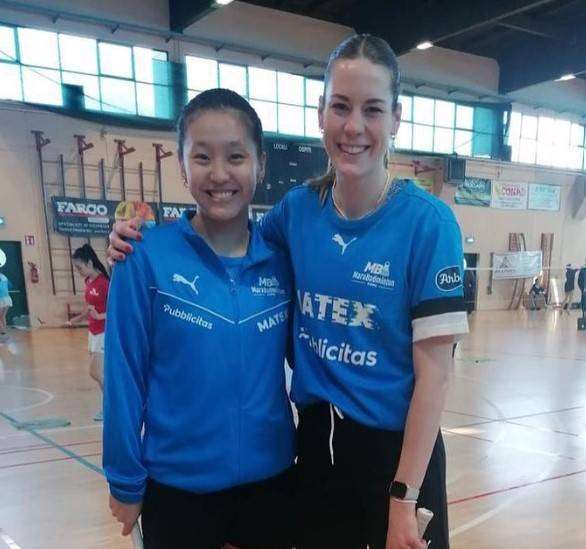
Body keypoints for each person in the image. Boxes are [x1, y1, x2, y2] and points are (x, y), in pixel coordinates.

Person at [109, 35, 469, 549]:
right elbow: (226, 237)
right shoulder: (296, 213)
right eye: (340, 106)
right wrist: (139, 237)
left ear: (396, 117)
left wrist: (404, 497)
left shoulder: (428, 224)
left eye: (372, 109)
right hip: (315, 451)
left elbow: (436, 376)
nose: (353, 126)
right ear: (320, 112)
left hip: (397, 457)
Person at [104, 89, 296, 549]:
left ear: (260, 164)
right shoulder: (143, 257)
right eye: (203, 157)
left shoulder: (283, 262)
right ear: (182, 166)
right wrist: (125, 479)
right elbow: (123, 376)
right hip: (178, 494)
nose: (220, 174)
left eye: (236, 156)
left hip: (271, 488)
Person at [69, 244, 109, 420]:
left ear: (90, 263)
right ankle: (109, 408)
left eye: (79, 267)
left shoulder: (105, 283)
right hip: (92, 331)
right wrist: (76, 319)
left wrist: (100, 316)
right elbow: (89, 307)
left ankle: (112, 406)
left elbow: (118, 309)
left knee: (95, 372)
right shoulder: (88, 282)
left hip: (104, 332)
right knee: (100, 373)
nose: (78, 271)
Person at [0, 271, 12, 338]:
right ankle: (4, 330)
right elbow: (10, 286)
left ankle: (2, 331)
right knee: (3, 316)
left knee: (1, 316)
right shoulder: (4, 276)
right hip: (8, 299)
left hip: (1, 299)